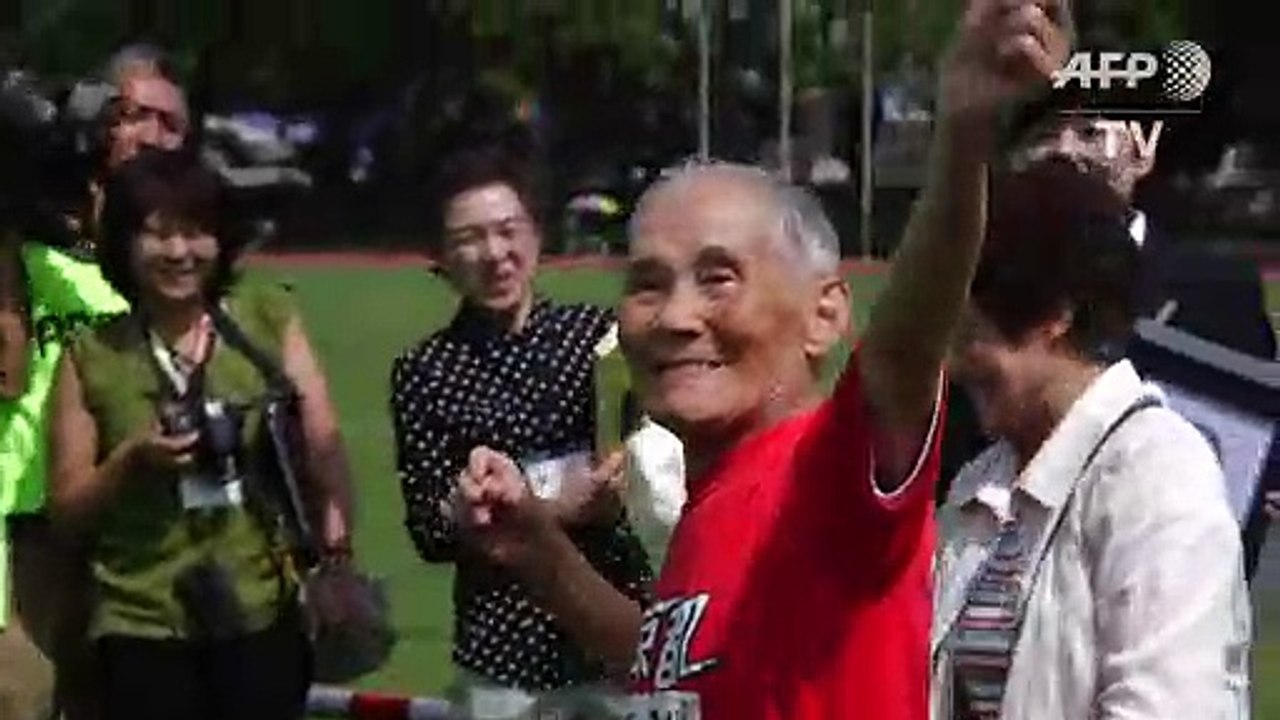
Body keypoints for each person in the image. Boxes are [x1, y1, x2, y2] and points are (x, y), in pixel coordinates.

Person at [446, 2, 1070, 718]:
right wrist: (539, 552)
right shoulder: (715, 502)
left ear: (825, 314)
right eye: (648, 284)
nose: (676, 318)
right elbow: (678, 666)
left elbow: (904, 351)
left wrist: (961, 135)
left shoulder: (825, 475)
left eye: (719, 279)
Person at [930, 157, 1251, 719]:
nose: (954, 366)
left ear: (1053, 316)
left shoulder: (1156, 475)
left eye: (972, 336)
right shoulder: (982, 482)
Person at [45, 148, 356, 720]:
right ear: (124, 244)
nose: (179, 253)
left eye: (196, 233)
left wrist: (335, 561)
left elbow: (323, 447)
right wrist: (133, 459)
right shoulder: (90, 356)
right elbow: (66, 511)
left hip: (258, 604)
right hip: (141, 617)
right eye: (158, 235)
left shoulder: (265, 321)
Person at [939, 105, 1279, 576]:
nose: (1064, 149)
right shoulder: (981, 282)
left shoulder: (1218, 289)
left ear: (1145, 147)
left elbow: (1252, 458)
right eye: (1046, 133)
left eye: (1089, 132)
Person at [389, 138, 652, 719]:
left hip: (611, 632)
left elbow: (657, 460)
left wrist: (621, 484)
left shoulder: (598, 340)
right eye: (469, 238)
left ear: (536, 233)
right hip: (502, 652)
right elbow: (428, 531)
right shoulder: (425, 371)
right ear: (441, 255)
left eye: (509, 230)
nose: (494, 252)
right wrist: (475, 512)